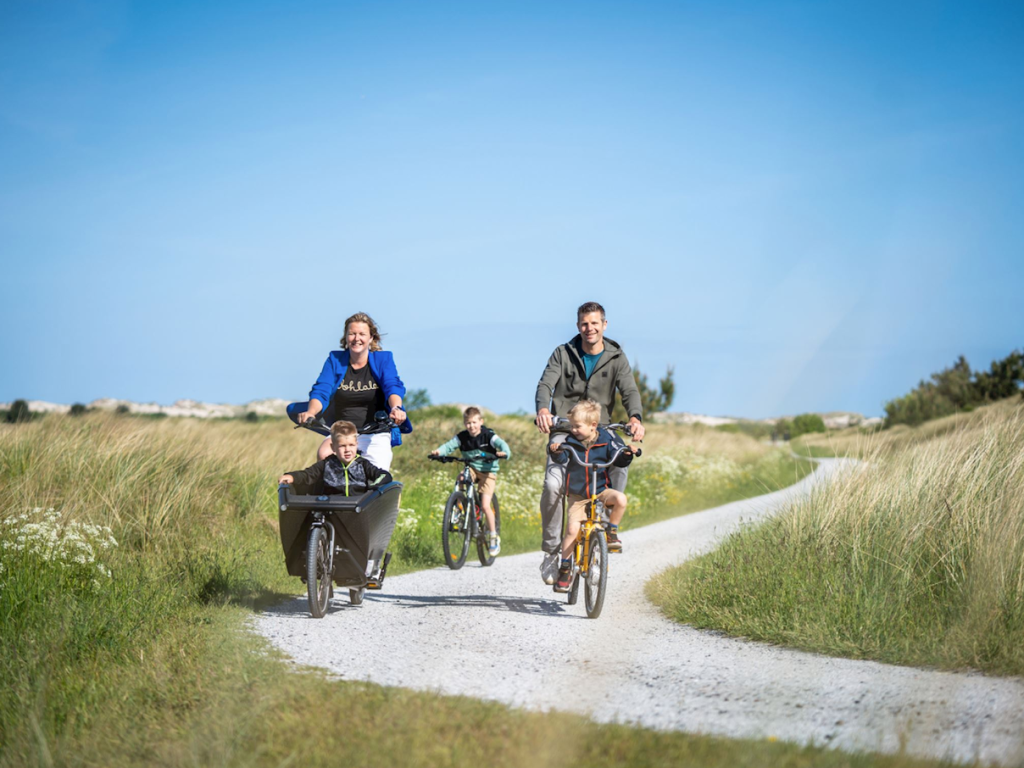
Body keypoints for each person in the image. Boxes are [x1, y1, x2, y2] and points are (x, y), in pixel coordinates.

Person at [534, 301, 645, 583]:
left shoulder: (616, 356)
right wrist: (544, 410)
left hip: (600, 427)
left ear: (604, 325)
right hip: (564, 427)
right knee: (552, 485)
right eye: (584, 324)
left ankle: (607, 528)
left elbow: (629, 389)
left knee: (620, 458)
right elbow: (546, 384)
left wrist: (635, 417)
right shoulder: (563, 353)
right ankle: (551, 552)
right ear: (578, 326)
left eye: (595, 323)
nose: (589, 329)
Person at [287, 312, 411, 471]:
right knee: (324, 454)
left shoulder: (383, 359)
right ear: (345, 337)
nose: (356, 338)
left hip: (374, 432)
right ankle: (330, 495)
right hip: (343, 431)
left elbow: (392, 386)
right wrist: (311, 412)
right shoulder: (335, 360)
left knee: (377, 475)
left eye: (362, 334)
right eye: (352, 334)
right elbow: (321, 390)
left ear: (371, 338)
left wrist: (396, 408)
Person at [548, 400, 634, 592]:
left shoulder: (606, 440)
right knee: (571, 530)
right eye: (572, 426)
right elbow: (562, 457)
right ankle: (565, 568)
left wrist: (627, 453)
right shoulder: (570, 441)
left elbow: (618, 458)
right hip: (579, 495)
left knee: (620, 499)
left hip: (601, 490)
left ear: (593, 425)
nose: (574, 430)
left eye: (577, 426)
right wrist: (556, 451)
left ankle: (611, 532)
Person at [431, 406, 511, 556]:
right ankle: (458, 508)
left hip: (488, 472)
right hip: (472, 468)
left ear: (481, 421)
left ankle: (493, 536)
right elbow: (449, 446)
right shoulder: (462, 437)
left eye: (474, 422)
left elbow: (502, 445)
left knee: (486, 505)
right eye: (468, 423)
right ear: (464, 424)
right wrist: (439, 452)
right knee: (461, 477)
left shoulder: (488, 436)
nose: (471, 426)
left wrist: (504, 452)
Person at [279, 420, 393, 495]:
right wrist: (292, 476)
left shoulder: (362, 464)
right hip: (331, 508)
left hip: (357, 508)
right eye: (342, 446)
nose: (347, 450)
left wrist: (373, 486)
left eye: (351, 445)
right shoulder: (327, 464)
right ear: (333, 447)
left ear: (356, 445)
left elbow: (383, 475)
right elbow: (308, 474)